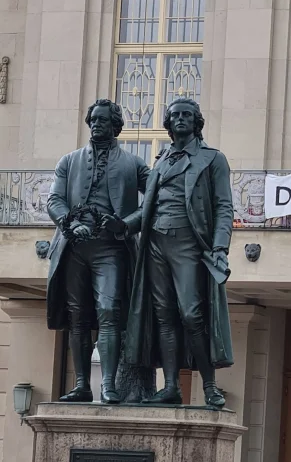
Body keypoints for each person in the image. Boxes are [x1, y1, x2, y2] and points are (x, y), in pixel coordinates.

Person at [125, 97, 234, 407]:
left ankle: (210, 385)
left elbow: (224, 206)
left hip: (188, 243)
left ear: (197, 122)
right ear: (168, 124)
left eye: (188, 115)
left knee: (191, 313)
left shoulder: (212, 159)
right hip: (155, 243)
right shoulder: (161, 160)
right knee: (164, 315)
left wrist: (220, 246)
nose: (181, 119)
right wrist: (121, 227)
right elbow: (148, 207)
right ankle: (171, 386)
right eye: (175, 115)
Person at [47, 99, 150, 403]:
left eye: (104, 120)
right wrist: (69, 222)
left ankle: (108, 384)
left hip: (111, 248)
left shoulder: (133, 164)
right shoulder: (68, 161)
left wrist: (125, 225)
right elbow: (54, 200)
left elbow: (155, 202)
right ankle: (82, 384)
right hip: (74, 246)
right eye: (93, 119)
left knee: (109, 311)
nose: (97, 124)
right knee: (78, 316)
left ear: (116, 126)